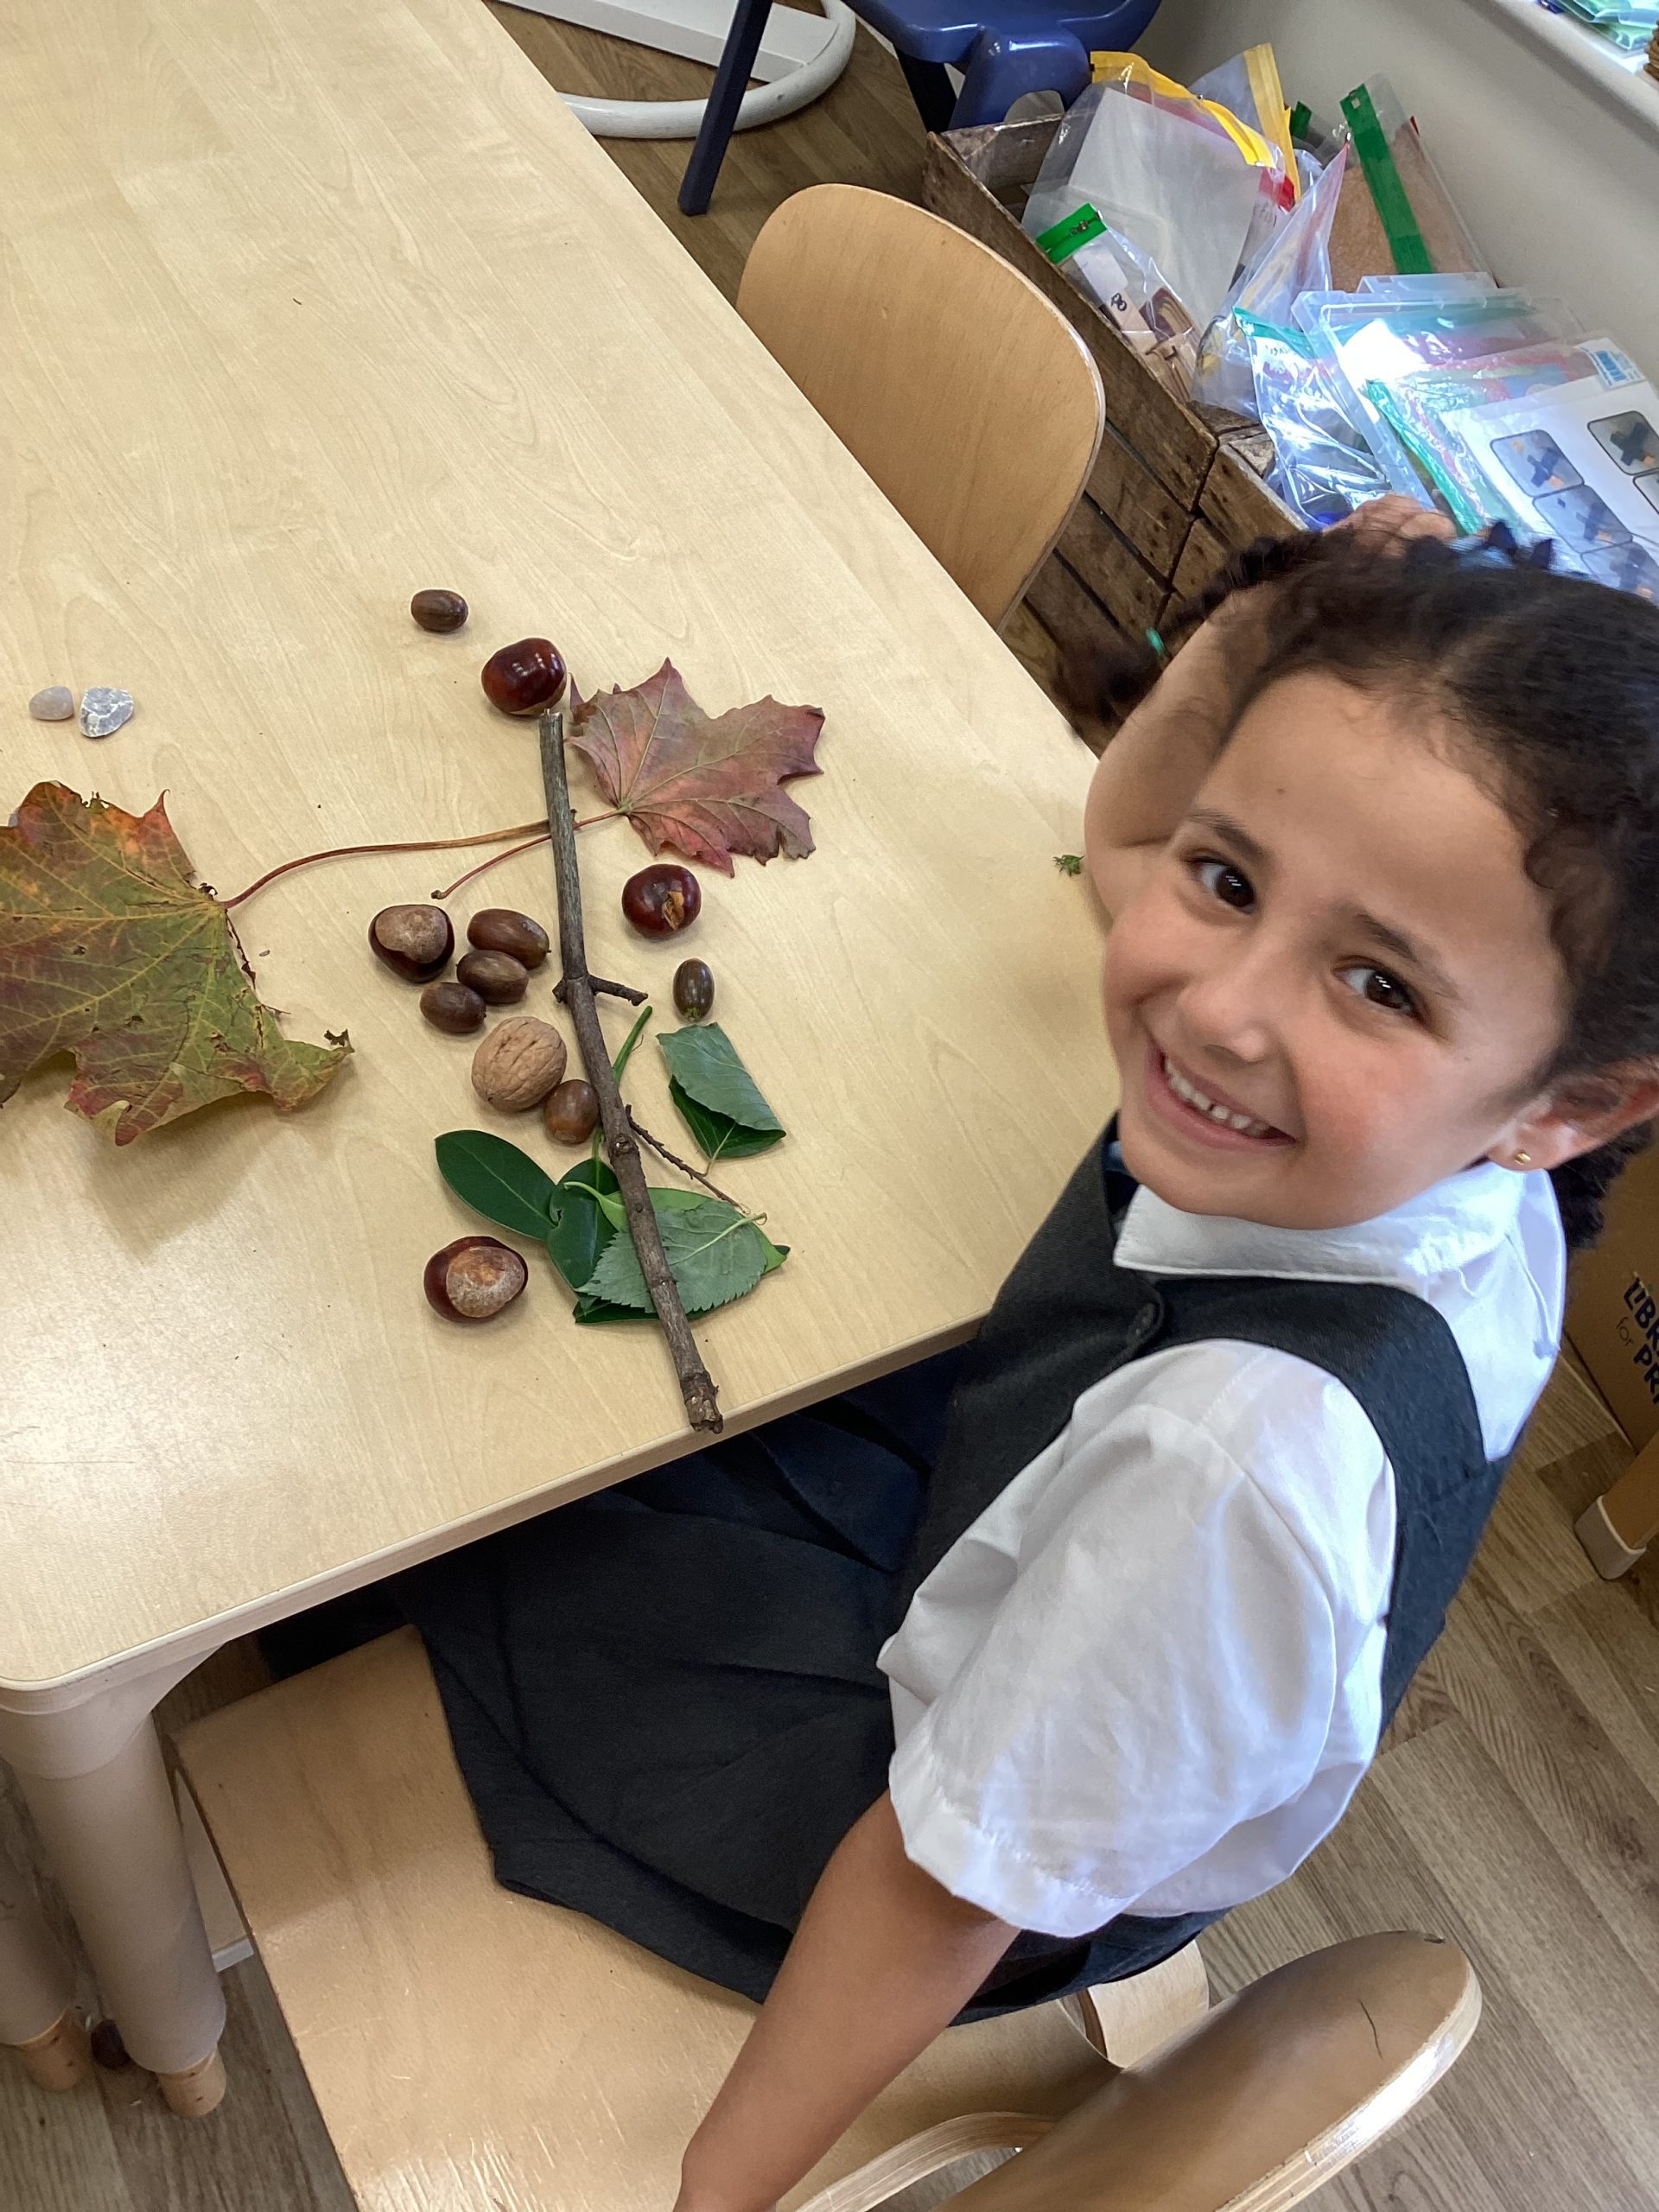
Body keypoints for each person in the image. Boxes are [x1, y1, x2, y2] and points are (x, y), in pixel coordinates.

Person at [279, 503, 1659, 2212]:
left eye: (1378, 983)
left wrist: (719, 2190)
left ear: (1569, 1105)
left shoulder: (1229, 1472)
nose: (1218, 1004)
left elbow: (936, 1893)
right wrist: (1273, 620)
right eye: (1233, 879)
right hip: (1050, 1586)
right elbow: (1130, 832)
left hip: (917, 1824)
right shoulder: (1471, 1177)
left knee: (464, 1503)